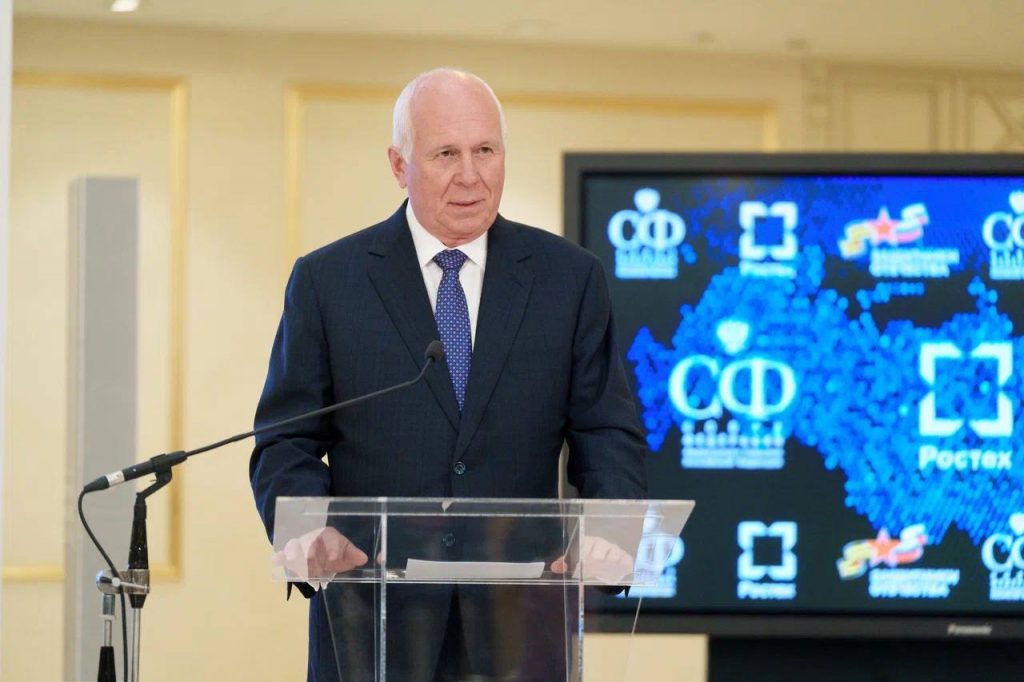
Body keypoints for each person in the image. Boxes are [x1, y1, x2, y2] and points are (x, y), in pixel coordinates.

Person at [250, 67, 647, 682]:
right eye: (445, 154)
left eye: (485, 150)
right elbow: (286, 440)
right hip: (373, 620)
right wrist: (311, 529)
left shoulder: (569, 280)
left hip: (523, 623)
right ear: (399, 165)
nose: (470, 174)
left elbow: (607, 432)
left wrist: (611, 530)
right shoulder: (330, 282)